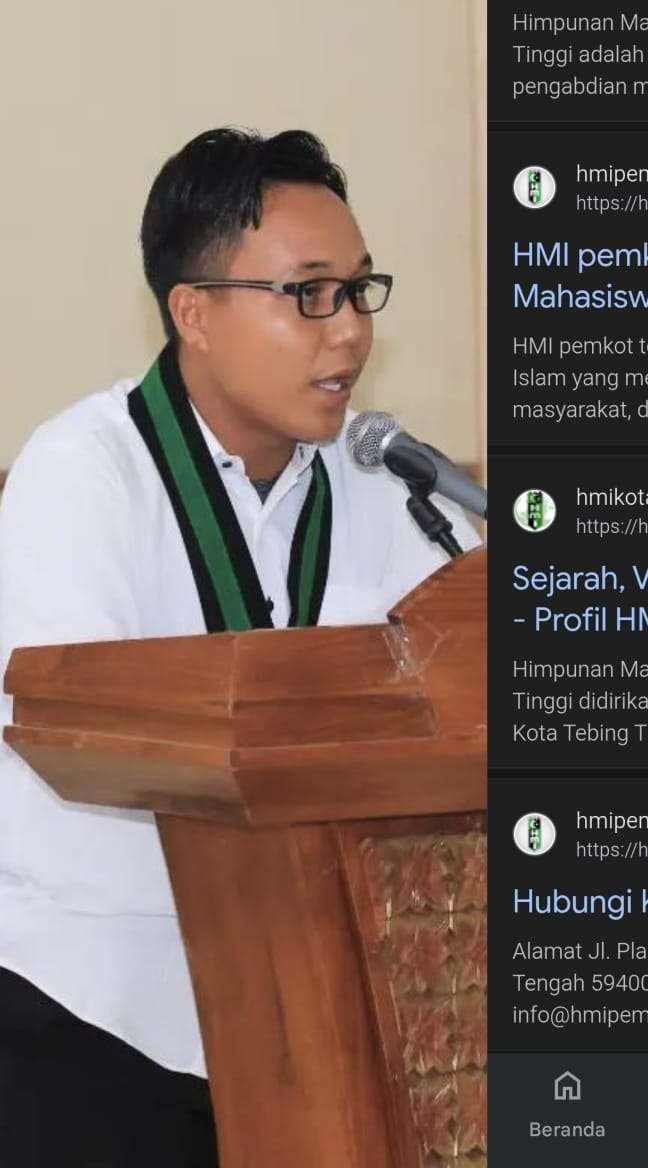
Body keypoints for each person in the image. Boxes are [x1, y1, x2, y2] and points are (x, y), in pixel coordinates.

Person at [0, 127, 478, 1166]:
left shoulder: (384, 483)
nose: (348, 331)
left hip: (312, 1011)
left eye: (359, 291)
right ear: (194, 312)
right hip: (93, 1014)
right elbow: (86, 734)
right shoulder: (83, 474)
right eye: (308, 294)